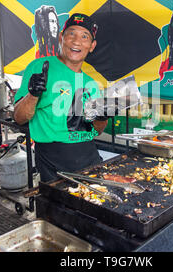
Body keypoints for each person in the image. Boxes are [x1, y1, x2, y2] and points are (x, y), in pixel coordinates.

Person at [13, 13, 109, 182]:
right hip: (52, 159)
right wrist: (33, 94)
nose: (76, 41)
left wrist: (102, 116)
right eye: (71, 33)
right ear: (61, 38)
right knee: (58, 207)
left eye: (84, 36)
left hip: (88, 155)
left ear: (92, 45)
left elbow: (97, 130)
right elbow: (19, 118)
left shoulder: (91, 83)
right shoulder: (40, 67)